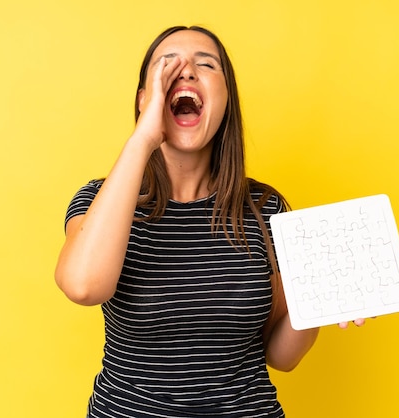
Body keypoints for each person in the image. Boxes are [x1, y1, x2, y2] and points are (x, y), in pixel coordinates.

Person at [55, 25, 366, 417]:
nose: (186, 72)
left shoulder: (266, 209)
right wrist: (143, 137)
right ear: (143, 100)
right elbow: (83, 286)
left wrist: (321, 301)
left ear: (226, 101)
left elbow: (280, 356)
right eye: (167, 67)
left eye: (206, 65)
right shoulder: (103, 201)